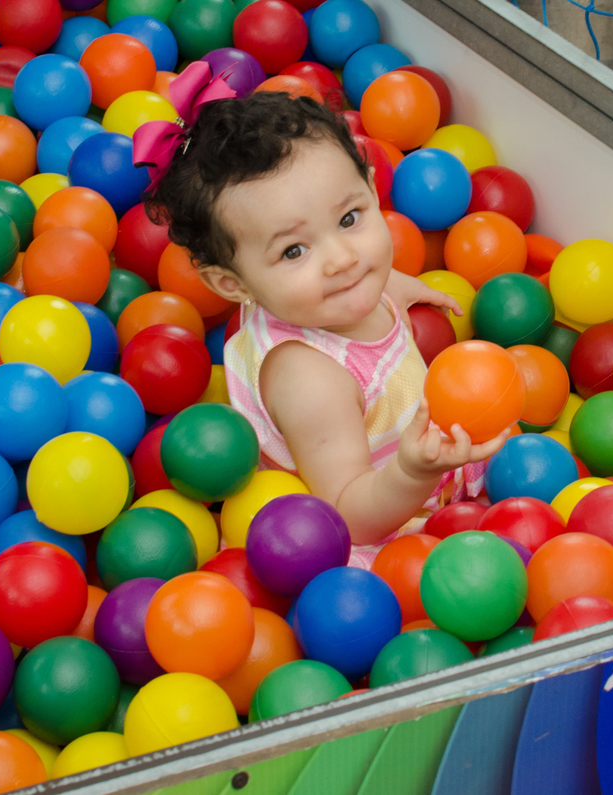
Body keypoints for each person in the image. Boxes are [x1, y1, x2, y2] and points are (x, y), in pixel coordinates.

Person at [137, 65, 508, 568]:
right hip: (385, 533)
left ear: (373, 189)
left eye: (350, 219)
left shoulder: (338, 289)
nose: (343, 259)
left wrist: (398, 286)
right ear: (234, 284)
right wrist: (413, 473)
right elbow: (347, 513)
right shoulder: (309, 377)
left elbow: (361, 272)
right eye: (294, 251)